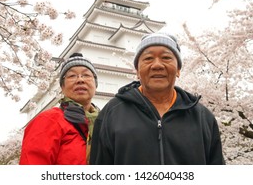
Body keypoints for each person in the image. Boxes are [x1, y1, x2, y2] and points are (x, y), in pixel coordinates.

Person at [89, 33, 225, 165]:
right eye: (148, 59)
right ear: (137, 71)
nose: (157, 65)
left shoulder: (202, 117)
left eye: (166, 57)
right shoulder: (112, 113)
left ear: (178, 69)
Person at [19, 53, 99, 165]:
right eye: (72, 76)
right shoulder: (49, 120)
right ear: (62, 87)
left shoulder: (105, 123)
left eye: (86, 75)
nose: (80, 80)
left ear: (95, 84)